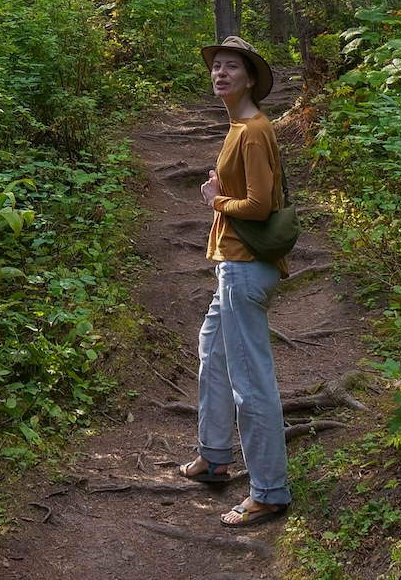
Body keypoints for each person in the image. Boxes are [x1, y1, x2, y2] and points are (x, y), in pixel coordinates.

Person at [178, 33, 291, 528]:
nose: (221, 73)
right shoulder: (239, 127)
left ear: (250, 80)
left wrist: (215, 199)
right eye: (217, 66)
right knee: (213, 351)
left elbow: (261, 206)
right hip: (235, 264)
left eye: (232, 67)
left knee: (251, 380)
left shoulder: (250, 129)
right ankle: (215, 455)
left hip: (245, 267)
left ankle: (268, 491)